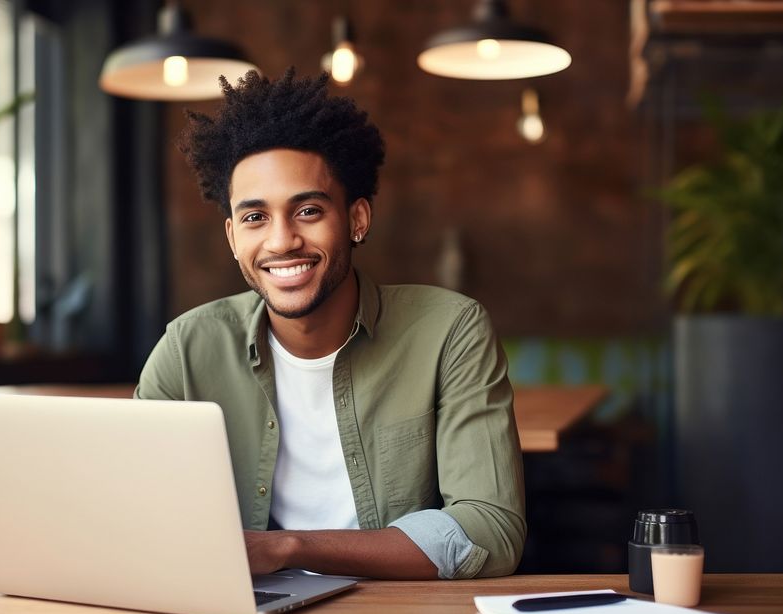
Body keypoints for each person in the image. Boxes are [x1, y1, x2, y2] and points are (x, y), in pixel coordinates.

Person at [135, 68, 525, 580]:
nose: (281, 241)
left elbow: (490, 529)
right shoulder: (187, 348)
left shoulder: (450, 331)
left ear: (357, 220)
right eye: (255, 218)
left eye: (309, 210)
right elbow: (137, 516)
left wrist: (290, 548)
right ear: (232, 237)